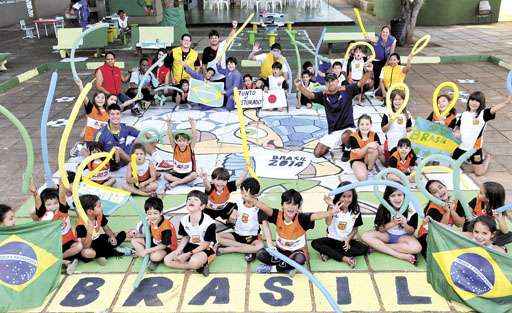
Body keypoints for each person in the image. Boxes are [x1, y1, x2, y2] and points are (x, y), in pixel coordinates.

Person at [255, 189, 341, 275]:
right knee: (260, 254)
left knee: (300, 258)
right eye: (288, 203)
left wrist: (332, 211)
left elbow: (317, 215)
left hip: (296, 252)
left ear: (298, 207)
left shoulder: (301, 218)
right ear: (282, 205)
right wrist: (251, 199)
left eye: (294, 204)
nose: (291, 207)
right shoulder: (277, 215)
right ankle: (286, 266)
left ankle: (274, 268)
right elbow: (263, 207)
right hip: (280, 251)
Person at [295, 70, 373, 158]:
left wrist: (369, 71)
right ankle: (338, 144)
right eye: (328, 81)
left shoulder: (347, 90)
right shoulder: (324, 95)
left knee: (345, 136)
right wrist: (299, 86)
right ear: (325, 84)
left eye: (332, 80)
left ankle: (347, 148)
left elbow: (360, 83)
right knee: (317, 153)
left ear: (337, 81)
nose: (330, 83)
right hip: (333, 131)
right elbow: (310, 95)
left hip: (348, 128)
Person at [29, 179, 82, 274]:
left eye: (55, 203)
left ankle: (59, 259)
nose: (53, 206)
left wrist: (61, 185)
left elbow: (61, 196)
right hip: (52, 245)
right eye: (48, 204)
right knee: (39, 255)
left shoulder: (62, 210)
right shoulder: (42, 214)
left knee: (79, 246)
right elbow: (37, 200)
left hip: (67, 243)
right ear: (43, 205)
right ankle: (67, 262)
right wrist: (34, 193)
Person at [311, 182, 368, 267]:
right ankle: (345, 258)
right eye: (343, 196)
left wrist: (348, 240)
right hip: (332, 239)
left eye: (349, 196)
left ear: (353, 196)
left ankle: (329, 253)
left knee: (364, 248)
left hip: (345, 241)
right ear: (339, 196)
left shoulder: (355, 210)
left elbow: (355, 229)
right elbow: (328, 223)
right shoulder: (332, 207)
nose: (346, 199)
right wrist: (331, 207)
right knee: (315, 243)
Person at [452, 92, 511, 176]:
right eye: (472, 100)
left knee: (479, 173)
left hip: (475, 149)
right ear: (468, 101)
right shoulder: (464, 114)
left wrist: (506, 102)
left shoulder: (483, 114)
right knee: (453, 166)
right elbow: (457, 127)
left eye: (477, 101)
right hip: (461, 147)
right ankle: (469, 163)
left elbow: (493, 109)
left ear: (481, 103)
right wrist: (456, 132)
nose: (474, 103)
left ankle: (487, 159)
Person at [362, 186, 421, 264]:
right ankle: (399, 255)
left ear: (404, 195)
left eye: (399, 195)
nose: (397, 198)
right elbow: (380, 229)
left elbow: (411, 232)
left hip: (404, 237)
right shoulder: (383, 207)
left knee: (417, 248)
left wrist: (405, 224)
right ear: (388, 198)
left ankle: (378, 247)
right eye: (393, 195)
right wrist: (393, 223)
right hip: (387, 235)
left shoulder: (411, 208)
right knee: (365, 236)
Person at [164, 190, 216, 276]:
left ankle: (201, 263)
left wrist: (188, 254)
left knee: (194, 261)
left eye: (195, 199)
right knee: (167, 260)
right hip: (190, 244)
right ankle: (196, 266)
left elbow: (206, 244)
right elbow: (185, 237)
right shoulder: (184, 220)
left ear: (202, 206)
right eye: (189, 199)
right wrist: (178, 251)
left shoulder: (209, 223)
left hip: (204, 248)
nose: (191, 201)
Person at [216, 177, 264, 262]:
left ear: (255, 195)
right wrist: (231, 218)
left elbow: (264, 225)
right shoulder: (238, 203)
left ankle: (228, 249)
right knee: (215, 236)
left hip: (252, 237)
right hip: (237, 235)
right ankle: (246, 248)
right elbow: (231, 220)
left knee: (260, 246)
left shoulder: (259, 207)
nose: (243, 196)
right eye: (242, 193)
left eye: (246, 195)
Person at [417, 180, 466, 258]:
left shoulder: (455, 201)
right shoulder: (433, 209)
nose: (439, 191)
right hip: (428, 236)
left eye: (440, 187)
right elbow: (440, 229)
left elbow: (460, 224)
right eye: (435, 192)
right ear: (431, 196)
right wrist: (447, 212)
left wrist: (452, 210)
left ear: (445, 187)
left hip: (444, 234)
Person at [129, 197, 178, 271]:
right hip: (156, 242)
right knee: (134, 240)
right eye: (149, 214)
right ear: (146, 213)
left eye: (155, 213)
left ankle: (147, 256)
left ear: (161, 212)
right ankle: (144, 254)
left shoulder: (166, 227)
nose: (152, 216)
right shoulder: (151, 221)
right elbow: (150, 235)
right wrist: (138, 235)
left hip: (167, 248)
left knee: (154, 257)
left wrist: (147, 250)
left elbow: (164, 245)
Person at [76, 194, 126, 265]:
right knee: (87, 253)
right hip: (90, 245)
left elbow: (106, 228)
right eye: (99, 206)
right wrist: (89, 232)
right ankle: (107, 253)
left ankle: (102, 254)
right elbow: (85, 246)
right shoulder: (81, 225)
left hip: (99, 240)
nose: (102, 207)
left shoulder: (99, 215)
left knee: (122, 234)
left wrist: (112, 236)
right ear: (90, 211)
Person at [463, 181, 512, 246]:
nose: (478, 194)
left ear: (488, 198)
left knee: (509, 235)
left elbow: (505, 231)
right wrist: (472, 217)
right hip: (474, 228)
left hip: (487, 232)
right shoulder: (476, 201)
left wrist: (499, 219)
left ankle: (488, 242)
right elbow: (467, 214)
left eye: (480, 193)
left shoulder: (498, 209)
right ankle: (481, 240)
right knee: (468, 225)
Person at [94, 103, 140, 169]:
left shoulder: (125, 127)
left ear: (120, 115)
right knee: (117, 149)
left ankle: (156, 157)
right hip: (112, 162)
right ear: (108, 116)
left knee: (141, 138)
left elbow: (141, 134)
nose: (115, 116)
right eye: (112, 114)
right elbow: (96, 154)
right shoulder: (101, 133)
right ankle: (137, 164)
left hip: (125, 155)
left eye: (117, 114)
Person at [164, 117, 198, 188]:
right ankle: (183, 181)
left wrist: (192, 124)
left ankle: (176, 182)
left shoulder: (190, 147)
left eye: (183, 141)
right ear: (176, 141)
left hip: (188, 172)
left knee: (194, 175)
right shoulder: (175, 147)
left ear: (187, 142)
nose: (181, 143)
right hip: (177, 172)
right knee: (166, 176)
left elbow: (194, 136)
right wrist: (168, 124)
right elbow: (170, 136)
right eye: (179, 141)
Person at [347, 114, 383, 181]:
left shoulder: (374, 134)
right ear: (358, 125)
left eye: (367, 124)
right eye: (362, 124)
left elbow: (380, 152)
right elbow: (359, 155)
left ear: (371, 125)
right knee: (362, 178)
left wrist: (379, 148)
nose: (365, 127)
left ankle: (369, 168)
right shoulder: (353, 136)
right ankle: (363, 169)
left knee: (375, 150)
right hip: (357, 159)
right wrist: (368, 145)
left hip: (368, 158)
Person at [381, 89, 413, 154]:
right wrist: (390, 122)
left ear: (404, 101)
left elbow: (408, 128)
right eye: (395, 100)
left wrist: (414, 128)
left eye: (400, 99)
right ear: (392, 101)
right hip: (391, 142)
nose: (397, 102)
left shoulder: (407, 114)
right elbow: (383, 130)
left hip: (402, 144)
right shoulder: (388, 113)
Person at [366, 25, 396, 89]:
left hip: (386, 60)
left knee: (386, 74)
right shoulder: (376, 38)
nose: (384, 34)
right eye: (383, 32)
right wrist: (368, 38)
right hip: (376, 60)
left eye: (386, 32)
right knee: (377, 75)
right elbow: (369, 39)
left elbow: (391, 54)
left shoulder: (392, 40)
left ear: (389, 33)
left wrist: (386, 64)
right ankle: (376, 89)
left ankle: (386, 88)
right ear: (381, 32)